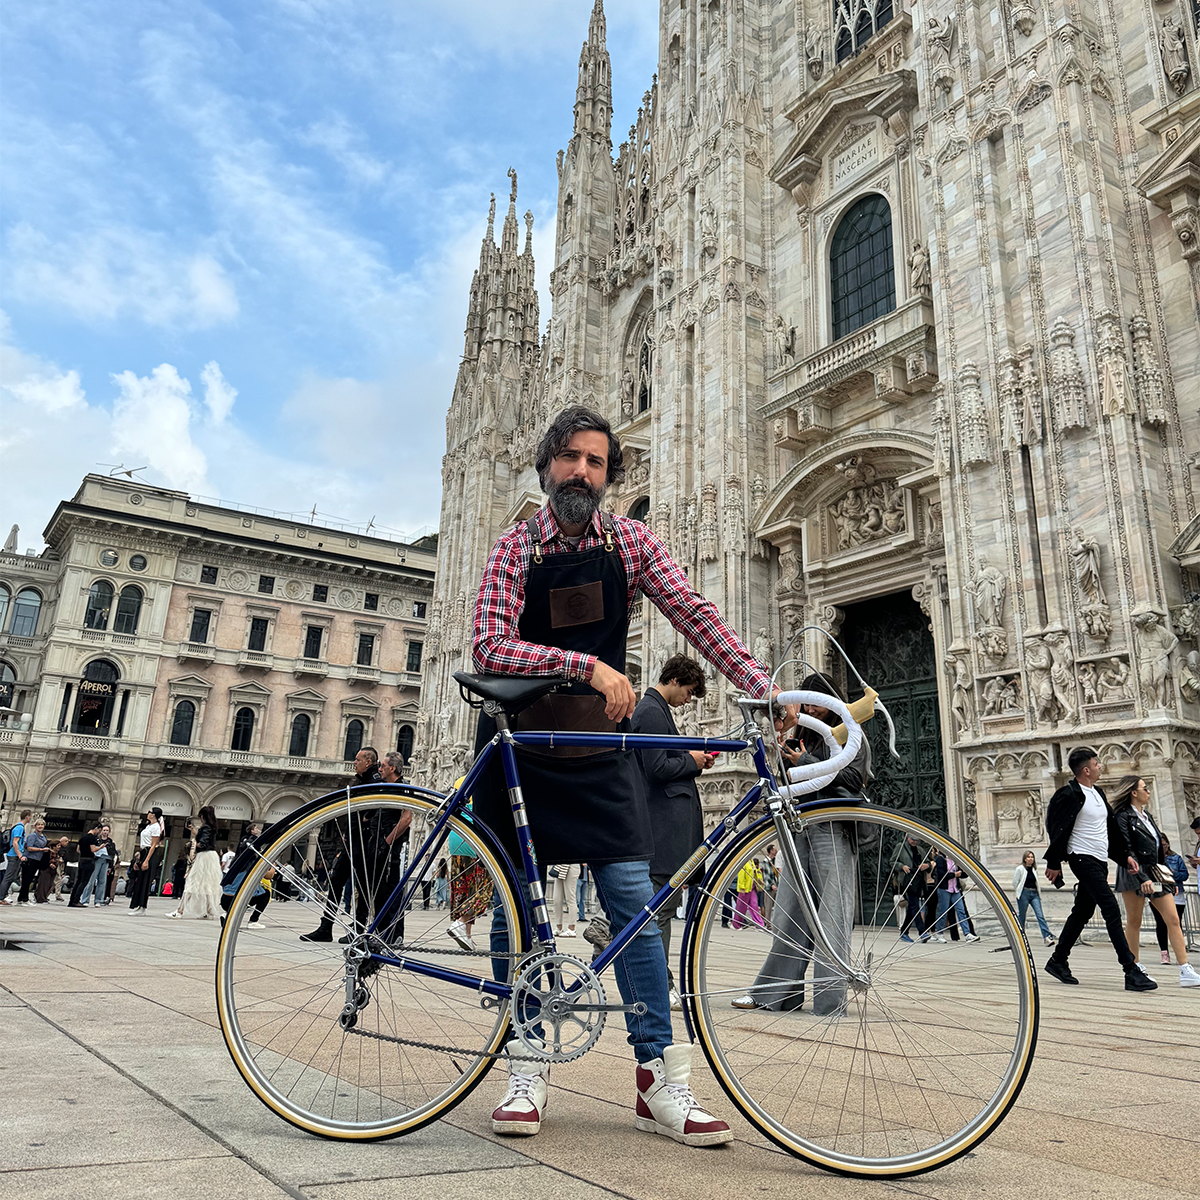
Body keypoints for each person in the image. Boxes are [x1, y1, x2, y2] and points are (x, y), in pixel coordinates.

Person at [472, 406, 777, 1146]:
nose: (582, 472)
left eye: (597, 463)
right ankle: (528, 1058)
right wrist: (586, 664)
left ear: (610, 476)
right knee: (519, 911)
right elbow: (489, 647)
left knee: (635, 906)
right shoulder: (516, 548)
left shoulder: (632, 543)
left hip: (596, 746)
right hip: (521, 743)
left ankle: (659, 1077)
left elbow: (694, 613)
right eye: (570, 458)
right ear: (547, 466)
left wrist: (760, 685)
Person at [734, 675, 869, 1015]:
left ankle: (828, 1001)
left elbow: (854, 779)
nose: (809, 709)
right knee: (790, 912)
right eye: (806, 704)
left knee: (832, 915)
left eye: (815, 703)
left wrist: (805, 763)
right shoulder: (801, 734)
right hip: (800, 827)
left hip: (834, 829)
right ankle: (777, 994)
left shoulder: (848, 731)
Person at [631, 652, 713, 1008]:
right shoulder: (650, 710)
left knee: (662, 906)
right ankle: (658, 985)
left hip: (668, 828)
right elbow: (656, 768)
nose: (689, 701)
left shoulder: (657, 710)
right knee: (660, 909)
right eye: (690, 692)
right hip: (661, 828)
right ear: (676, 680)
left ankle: (656, 980)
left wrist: (692, 757)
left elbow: (664, 759)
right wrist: (691, 761)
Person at [1043, 748, 1157, 991]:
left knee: (1082, 912)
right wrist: (1054, 863)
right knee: (1110, 908)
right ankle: (1130, 970)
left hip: (1099, 860)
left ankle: (1058, 960)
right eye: (1096, 764)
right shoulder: (1068, 794)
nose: (1100, 767)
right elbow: (1056, 826)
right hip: (1081, 857)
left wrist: (1124, 856)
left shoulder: (1098, 793)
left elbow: (1110, 830)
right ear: (1086, 769)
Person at [1109, 776, 1199, 988]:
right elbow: (1127, 848)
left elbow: (1158, 848)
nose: (1148, 791)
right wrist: (1142, 878)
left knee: (1173, 919)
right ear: (1133, 792)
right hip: (1133, 871)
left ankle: (1185, 969)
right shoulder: (1123, 816)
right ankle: (1134, 968)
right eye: (1144, 788)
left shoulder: (1147, 816)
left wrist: (1166, 877)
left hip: (1155, 871)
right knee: (1134, 921)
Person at [183, 806, 224, 919]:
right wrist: (193, 830)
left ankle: (180, 910)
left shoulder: (206, 827)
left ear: (202, 816)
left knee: (192, 882)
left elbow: (203, 842)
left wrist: (195, 845)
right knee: (208, 884)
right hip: (212, 856)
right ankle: (209, 911)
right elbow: (206, 838)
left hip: (204, 856)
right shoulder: (213, 826)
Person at [932, 852, 979, 942]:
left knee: (961, 911)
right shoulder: (940, 859)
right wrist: (954, 875)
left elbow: (963, 873)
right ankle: (939, 933)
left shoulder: (955, 860)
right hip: (945, 889)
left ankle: (967, 933)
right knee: (943, 911)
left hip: (955, 889)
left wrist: (965, 870)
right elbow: (941, 875)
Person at [1012, 850, 1055, 946]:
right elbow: (1015, 883)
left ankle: (1046, 936)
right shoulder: (1020, 869)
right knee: (1022, 916)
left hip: (1034, 893)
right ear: (1024, 859)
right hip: (1024, 893)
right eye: (1028, 857)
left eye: (1032, 857)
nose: (1030, 859)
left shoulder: (1034, 869)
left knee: (1040, 915)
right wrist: (1019, 891)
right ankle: (1020, 936)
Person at [128, 807, 164, 914]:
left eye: (150, 812)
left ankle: (142, 906)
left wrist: (146, 860)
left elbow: (153, 845)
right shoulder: (149, 826)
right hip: (144, 852)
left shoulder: (156, 827)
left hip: (149, 853)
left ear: (154, 815)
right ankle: (137, 905)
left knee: (145, 880)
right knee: (140, 879)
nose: (148, 813)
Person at [898, 834, 933, 943]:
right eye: (913, 839)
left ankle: (904, 932)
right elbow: (892, 861)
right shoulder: (900, 847)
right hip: (907, 880)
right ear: (907, 837)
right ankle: (922, 932)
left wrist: (926, 866)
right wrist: (902, 866)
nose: (914, 842)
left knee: (912, 908)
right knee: (914, 906)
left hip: (918, 881)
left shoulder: (920, 850)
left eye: (916, 840)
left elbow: (928, 863)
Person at [0, 809, 33, 904]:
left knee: (11, 877)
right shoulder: (19, 828)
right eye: (30, 816)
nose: (30, 818)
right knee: (8, 877)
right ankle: (1, 897)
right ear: (27, 817)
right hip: (14, 855)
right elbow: (15, 843)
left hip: (14, 855)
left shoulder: (19, 827)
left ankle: (3, 896)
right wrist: (20, 855)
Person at [78, 823, 114, 907]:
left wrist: (111, 864)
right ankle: (85, 899)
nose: (105, 832)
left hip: (105, 860)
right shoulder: (95, 839)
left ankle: (99, 900)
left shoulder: (110, 842)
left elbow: (113, 853)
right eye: (104, 830)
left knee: (102, 881)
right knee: (91, 880)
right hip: (96, 859)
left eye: (107, 830)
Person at [69, 821, 103, 907]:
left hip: (82, 859)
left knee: (78, 880)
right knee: (84, 882)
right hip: (89, 860)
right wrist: (100, 847)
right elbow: (93, 850)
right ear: (96, 828)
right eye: (99, 830)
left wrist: (84, 851)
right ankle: (76, 900)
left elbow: (78, 850)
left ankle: (72, 900)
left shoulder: (82, 838)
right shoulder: (92, 838)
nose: (98, 832)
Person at [15, 818, 48, 904]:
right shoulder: (33, 836)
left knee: (30, 879)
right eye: (38, 824)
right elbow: (29, 847)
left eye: (42, 824)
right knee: (26, 879)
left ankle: (24, 897)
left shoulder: (44, 836)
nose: (40, 826)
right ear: (35, 826)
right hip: (30, 859)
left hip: (37, 860)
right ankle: (23, 898)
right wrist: (41, 849)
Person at [546, 862, 580, 936]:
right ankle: (559, 927)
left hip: (572, 865)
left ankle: (572, 928)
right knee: (556, 899)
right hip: (560, 866)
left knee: (570, 898)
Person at [732, 858, 765, 930]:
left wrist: (760, 880)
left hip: (751, 888)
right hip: (745, 888)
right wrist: (742, 887)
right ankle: (736, 924)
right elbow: (741, 876)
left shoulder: (751, 862)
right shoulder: (744, 863)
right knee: (741, 907)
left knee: (754, 906)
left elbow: (756, 873)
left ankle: (759, 924)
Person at [34, 828, 61, 903]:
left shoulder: (57, 853)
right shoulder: (48, 852)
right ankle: (40, 897)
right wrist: (50, 864)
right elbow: (45, 860)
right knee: (44, 884)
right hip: (46, 868)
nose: (59, 847)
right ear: (53, 846)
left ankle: (44, 896)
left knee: (50, 884)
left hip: (53, 870)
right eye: (58, 845)